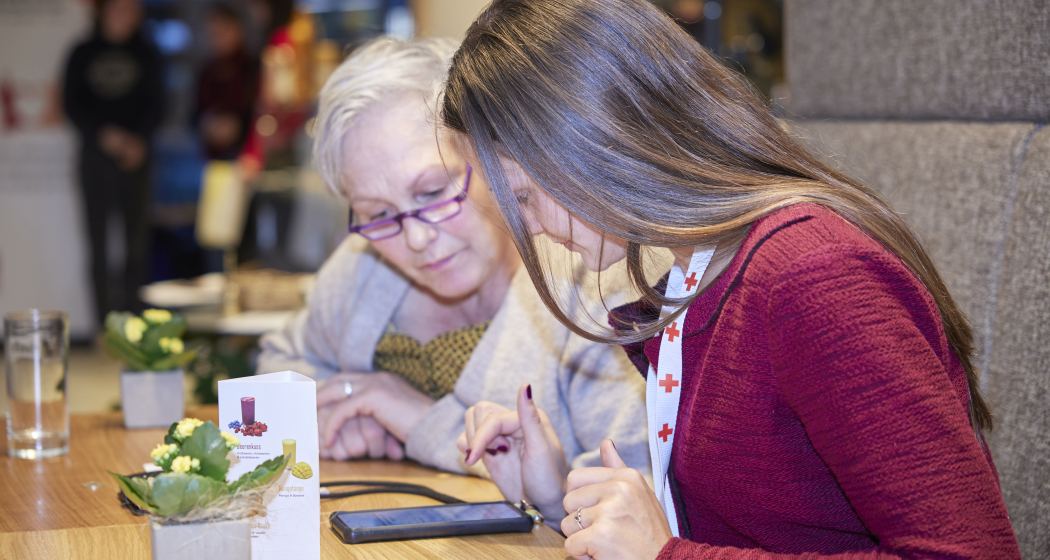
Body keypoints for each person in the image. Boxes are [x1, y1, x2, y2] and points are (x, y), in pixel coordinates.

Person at [444, 0, 1022, 558]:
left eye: (524, 196)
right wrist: (558, 502)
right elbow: (735, 528)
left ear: (597, 138)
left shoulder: (810, 275)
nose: (528, 228)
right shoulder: (699, 273)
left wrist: (666, 555)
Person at [256, 37, 650, 484]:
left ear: (488, 157)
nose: (416, 237)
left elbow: (633, 482)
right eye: (378, 214)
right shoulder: (364, 264)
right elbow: (278, 365)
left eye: (431, 192)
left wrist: (418, 421)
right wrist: (342, 411)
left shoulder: (591, 273)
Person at [63, 0, 163, 325]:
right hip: (96, 158)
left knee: (137, 245)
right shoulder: (83, 52)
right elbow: (72, 104)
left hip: (137, 157)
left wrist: (138, 139)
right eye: (120, 8)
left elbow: (158, 103)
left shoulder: (147, 52)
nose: (127, 15)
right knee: (99, 245)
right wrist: (102, 135)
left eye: (133, 9)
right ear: (103, 11)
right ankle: (104, 324)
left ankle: (133, 321)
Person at [193, 2, 259, 161]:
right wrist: (206, 124)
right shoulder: (206, 71)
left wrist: (238, 126)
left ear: (239, 30)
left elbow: (264, 114)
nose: (217, 38)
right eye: (212, 33)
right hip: (213, 156)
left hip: (249, 156)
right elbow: (193, 115)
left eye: (223, 31)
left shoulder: (253, 68)